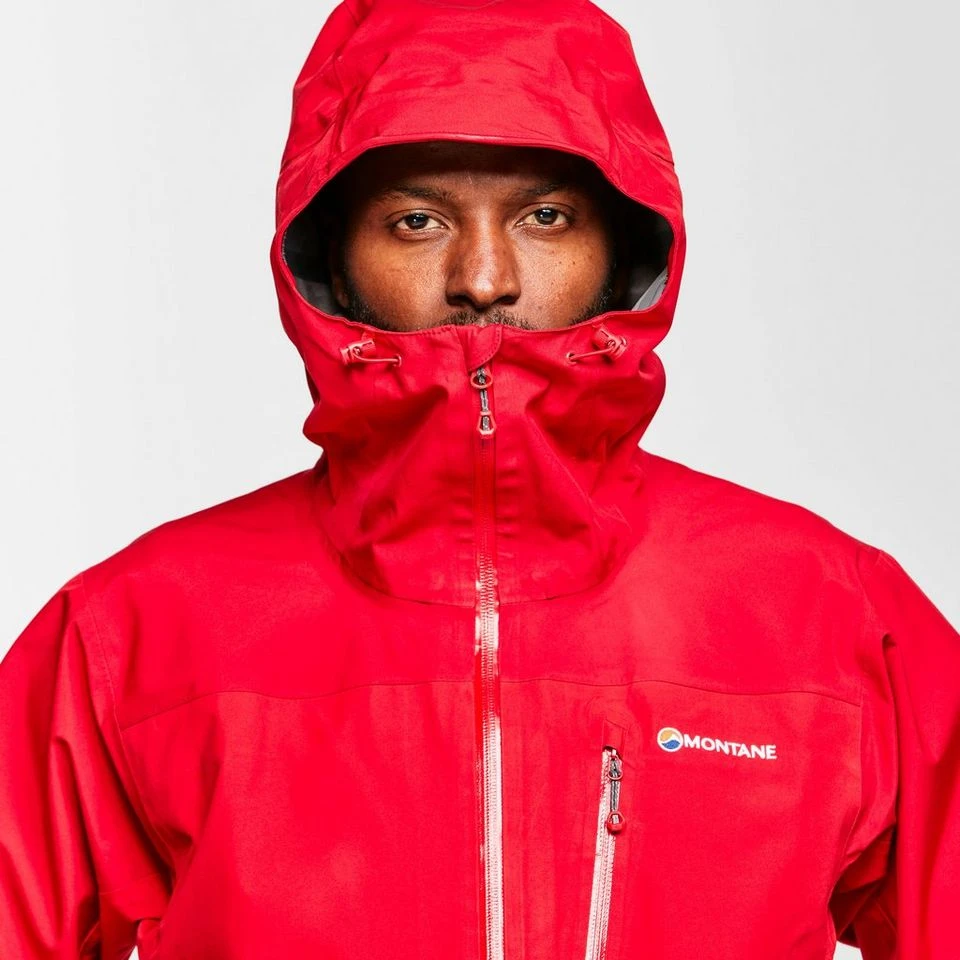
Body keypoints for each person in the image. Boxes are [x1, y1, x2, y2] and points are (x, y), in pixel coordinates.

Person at [1, 0, 957, 956]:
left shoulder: (832, 617)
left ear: (624, 249)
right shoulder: (131, 634)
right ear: (330, 261)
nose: (486, 277)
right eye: (417, 220)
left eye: (545, 216)